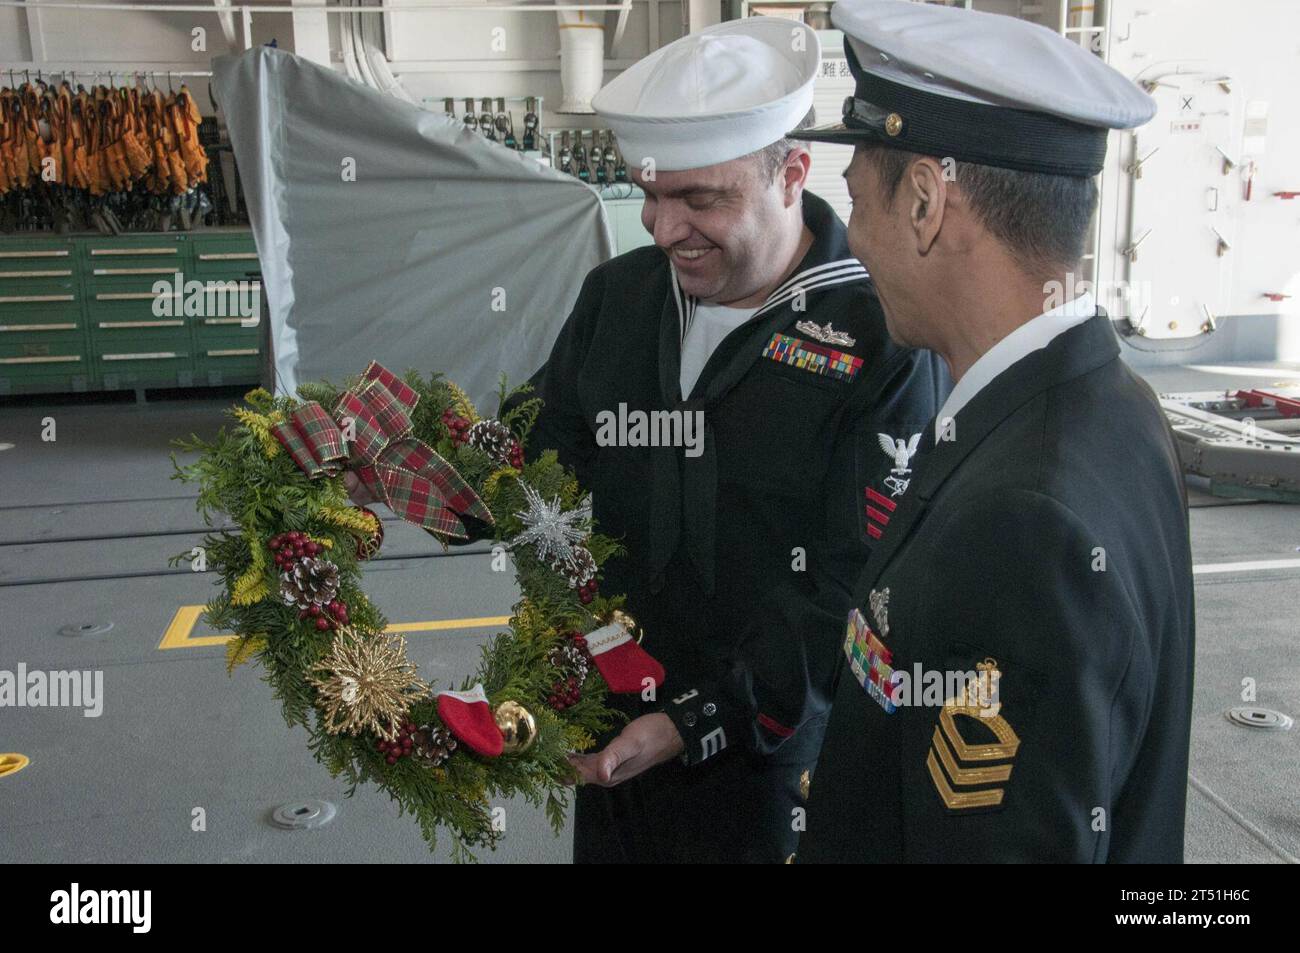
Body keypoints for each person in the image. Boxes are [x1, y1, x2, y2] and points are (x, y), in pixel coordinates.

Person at [527, 17, 947, 863]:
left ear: (792, 173)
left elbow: (853, 591)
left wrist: (698, 718)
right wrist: (420, 468)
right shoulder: (618, 298)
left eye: (699, 199)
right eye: (649, 192)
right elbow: (537, 458)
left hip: (773, 774)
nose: (661, 226)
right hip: (613, 748)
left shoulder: (880, 341)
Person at [787, 0, 1195, 862]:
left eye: (858, 201)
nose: (854, 240)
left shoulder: (1022, 521)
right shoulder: (1114, 404)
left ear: (928, 202)